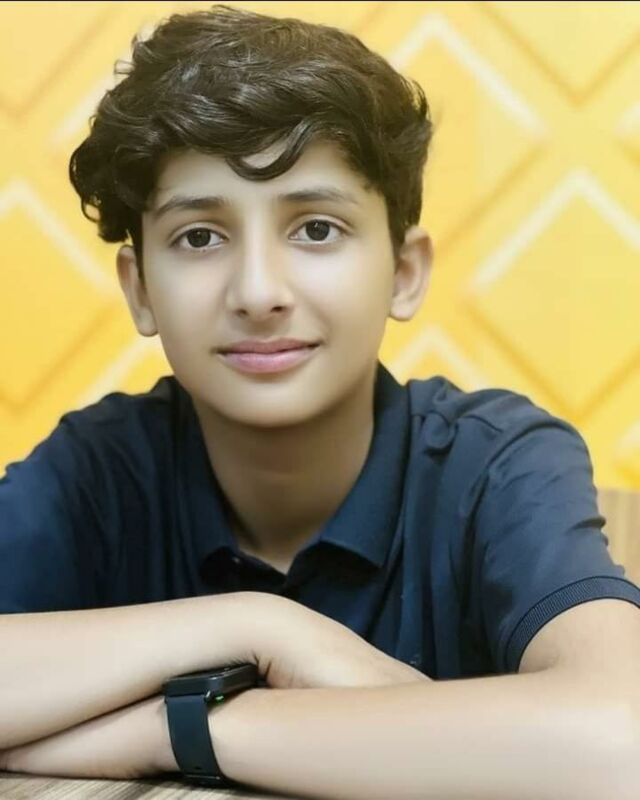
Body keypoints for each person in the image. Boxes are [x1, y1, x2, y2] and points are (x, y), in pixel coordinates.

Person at [0, 4, 639, 798]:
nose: (258, 291)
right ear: (140, 291)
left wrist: (181, 728)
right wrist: (258, 627)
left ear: (404, 272)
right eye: (199, 237)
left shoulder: (493, 465)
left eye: (316, 229)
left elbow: (623, 736)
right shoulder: (99, 470)